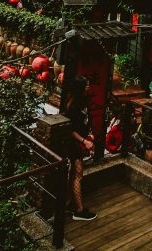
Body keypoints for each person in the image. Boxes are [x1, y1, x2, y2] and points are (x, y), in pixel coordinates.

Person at [64, 76, 97, 221]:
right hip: (74, 144)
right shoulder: (73, 105)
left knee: (74, 173)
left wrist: (89, 134)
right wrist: (84, 141)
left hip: (81, 142)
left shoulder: (83, 100)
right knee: (78, 174)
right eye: (87, 85)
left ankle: (69, 203)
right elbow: (70, 129)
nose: (89, 87)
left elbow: (84, 121)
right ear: (81, 87)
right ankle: (79, 210)